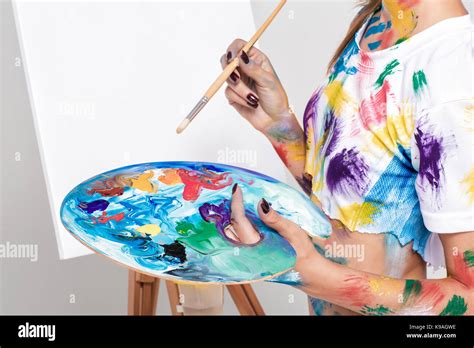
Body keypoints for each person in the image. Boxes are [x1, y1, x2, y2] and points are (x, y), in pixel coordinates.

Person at [220, 0, 473, 315]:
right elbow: (345, 203)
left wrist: (302, 271)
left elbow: (469, 300)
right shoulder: (378, 22)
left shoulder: (451, 73)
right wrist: (278, 125)